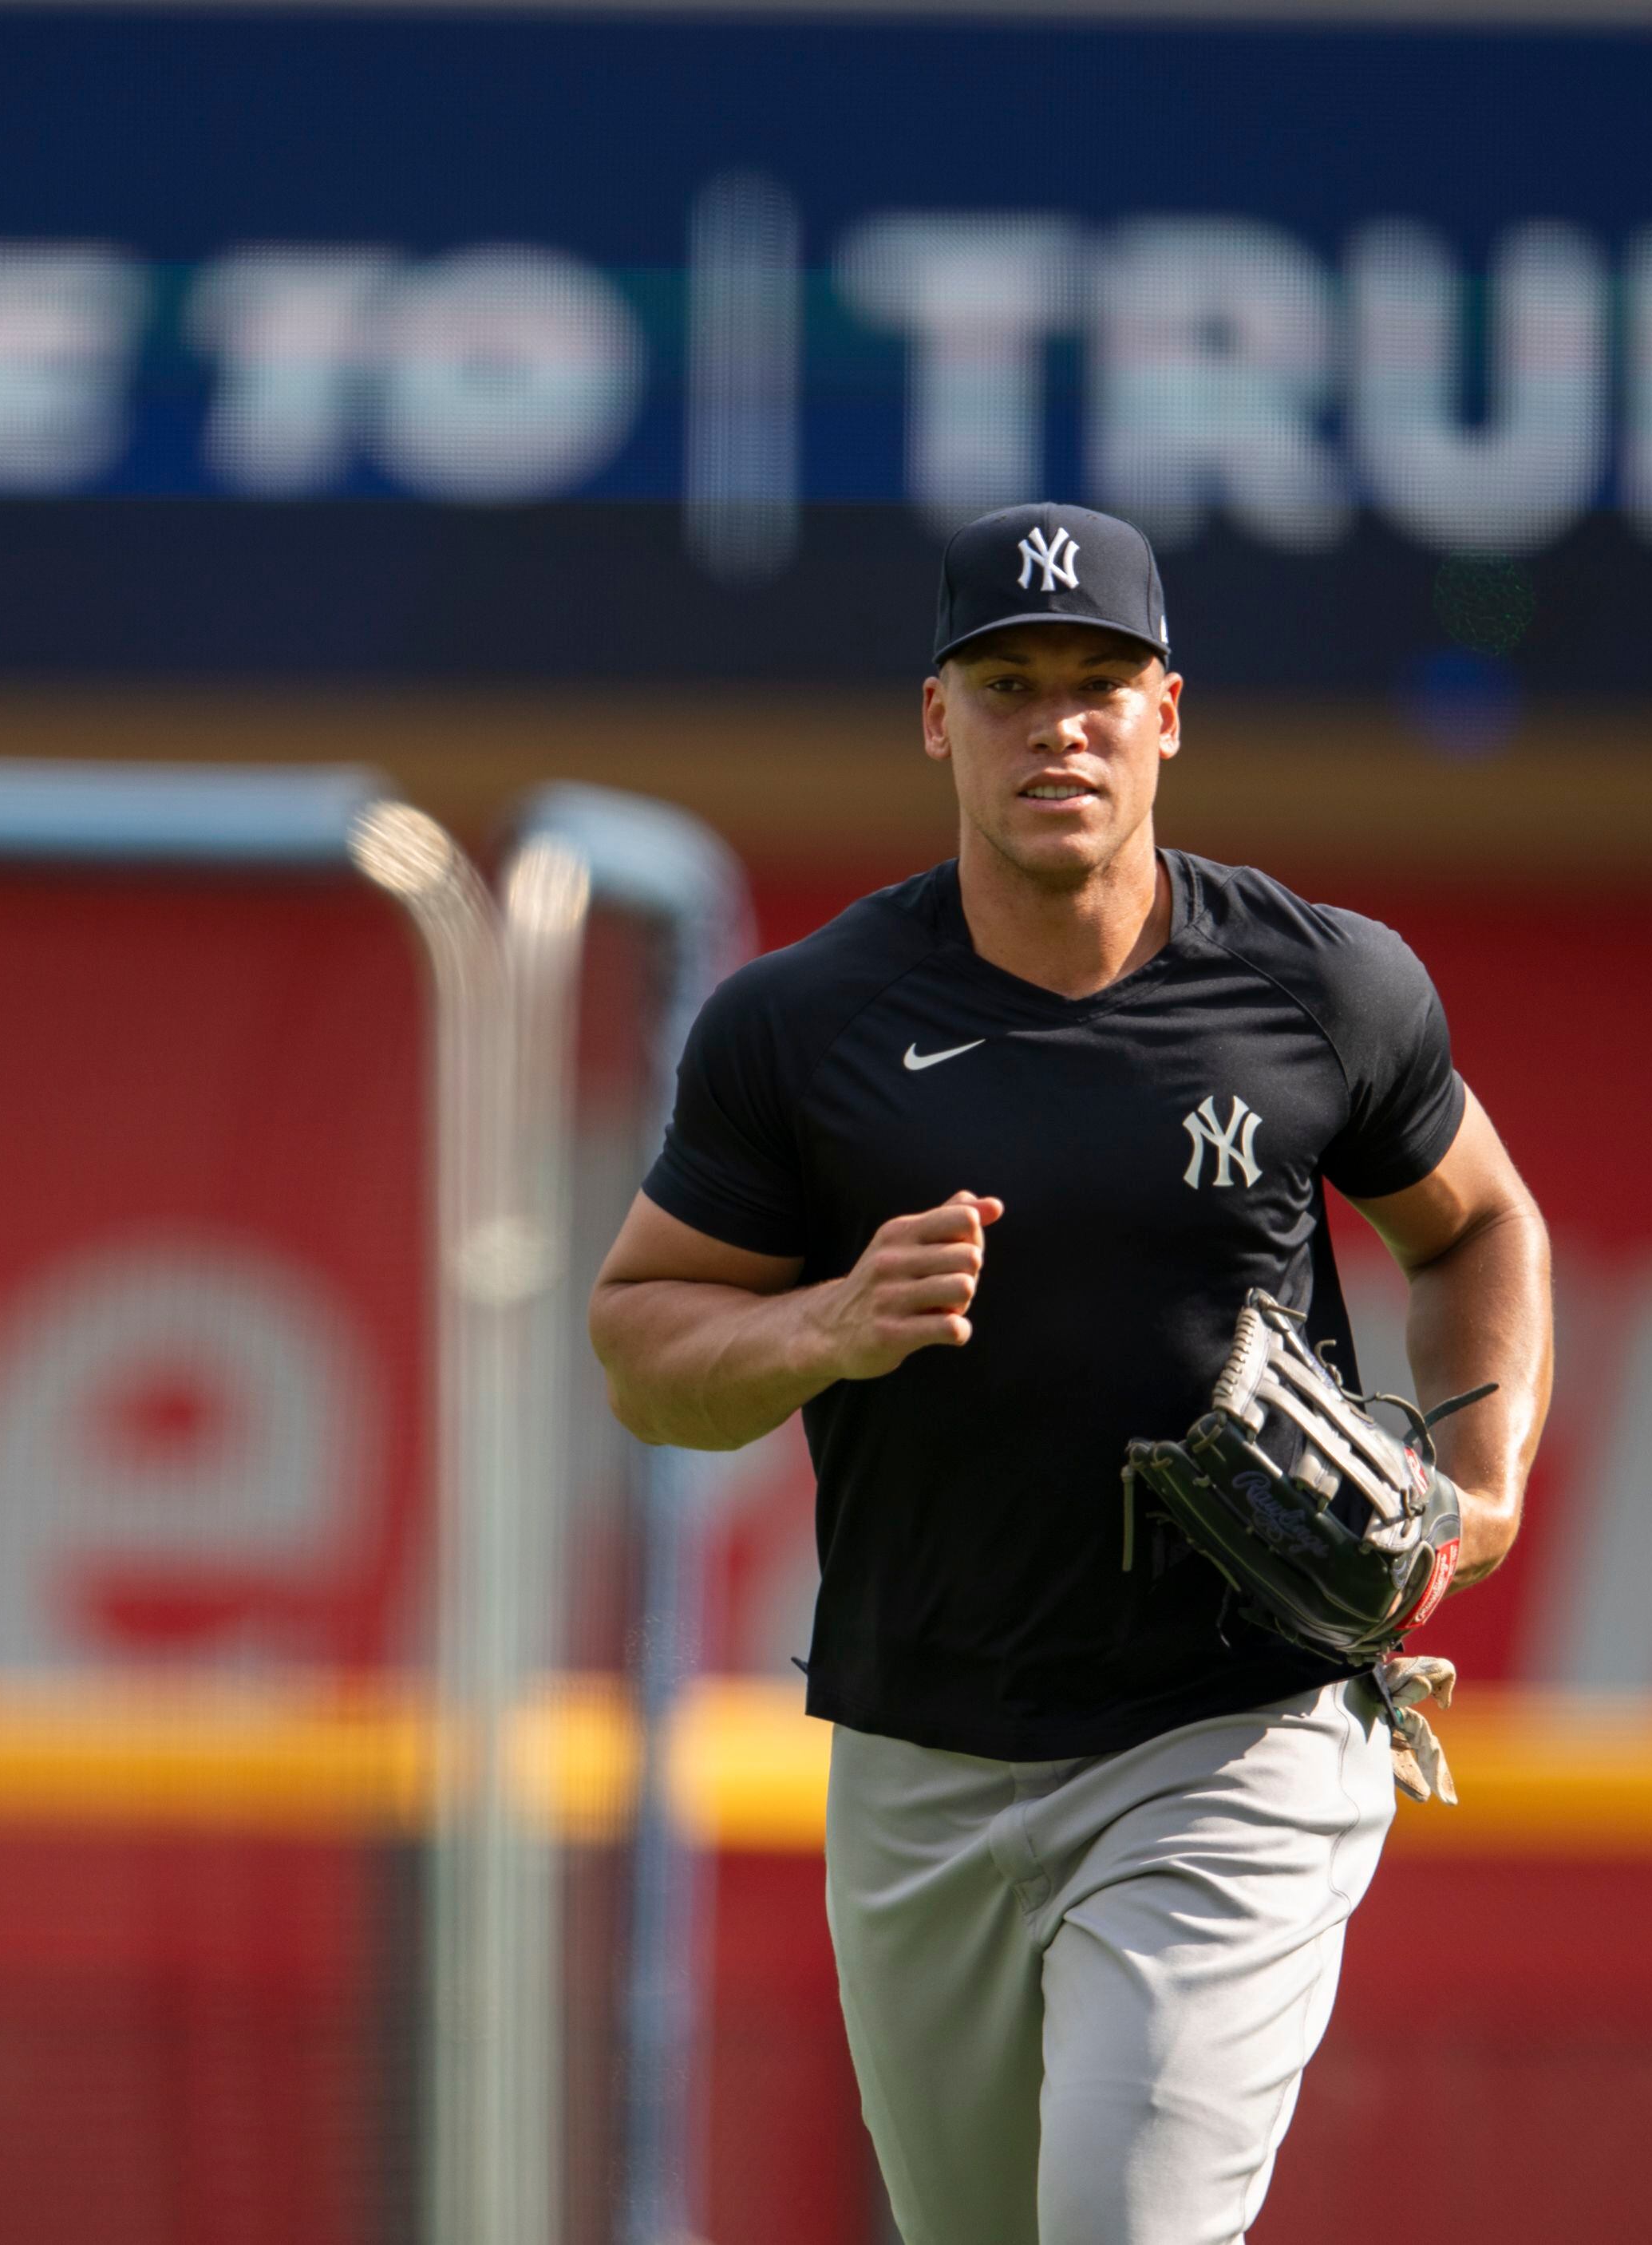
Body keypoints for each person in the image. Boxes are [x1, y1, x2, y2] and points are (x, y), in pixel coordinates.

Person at [588, 503, 1555, 2244]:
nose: (1061, 725)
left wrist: (1478, 1494)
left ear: (1166, 713)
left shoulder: (1318, 984)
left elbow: (1477, 1226)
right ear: (938, 720)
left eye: (1100, 683)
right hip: (921, 1745)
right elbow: (644, 1346)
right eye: (1012, 682)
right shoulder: (801, 1024)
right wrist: (827, 1322)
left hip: (1228, 1727)